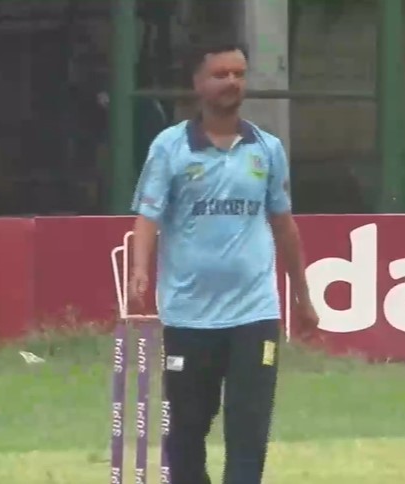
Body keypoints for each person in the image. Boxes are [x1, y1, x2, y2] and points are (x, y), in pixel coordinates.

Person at [127, 39, 318, 484]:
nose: (231, 82)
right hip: (188, 314)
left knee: (249, 430)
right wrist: (140, 270)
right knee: (187, 431)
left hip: (254, 313)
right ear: (198, 83)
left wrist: (303, 297)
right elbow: (148, 218)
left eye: (238, 74)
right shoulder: (170, 147)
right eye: (220, 74)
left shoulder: (266, 148)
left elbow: (284, 226)